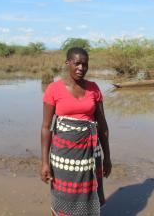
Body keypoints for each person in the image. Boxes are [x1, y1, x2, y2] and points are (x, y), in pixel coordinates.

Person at [40, 47, 112, 216]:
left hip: (90, 155)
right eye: (77, 63)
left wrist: (107, 157)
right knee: (62, 198)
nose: (81, 68)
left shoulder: (94, 89)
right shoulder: (53, 89)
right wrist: (44, 162)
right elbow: (45, 127)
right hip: (63, 156)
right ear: (67, 63)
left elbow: (102, 126)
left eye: (85, 65)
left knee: (89, 195)